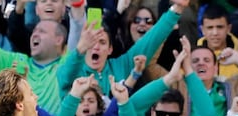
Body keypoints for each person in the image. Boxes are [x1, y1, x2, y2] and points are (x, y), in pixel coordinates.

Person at [57, 0, 189, 98]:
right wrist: (80, 49)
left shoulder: (122, 65)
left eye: (102, 42)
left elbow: (151, 40)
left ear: (110, 49)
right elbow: (64, 77)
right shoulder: (73, 71)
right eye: (91, 43)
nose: (96, 47)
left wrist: (177, 8)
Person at [197, 3, 238, 81]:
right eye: (210, 28)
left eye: (220, 27)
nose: (215, 33)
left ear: (229, 28)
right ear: (202, 30)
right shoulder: (191, 62)